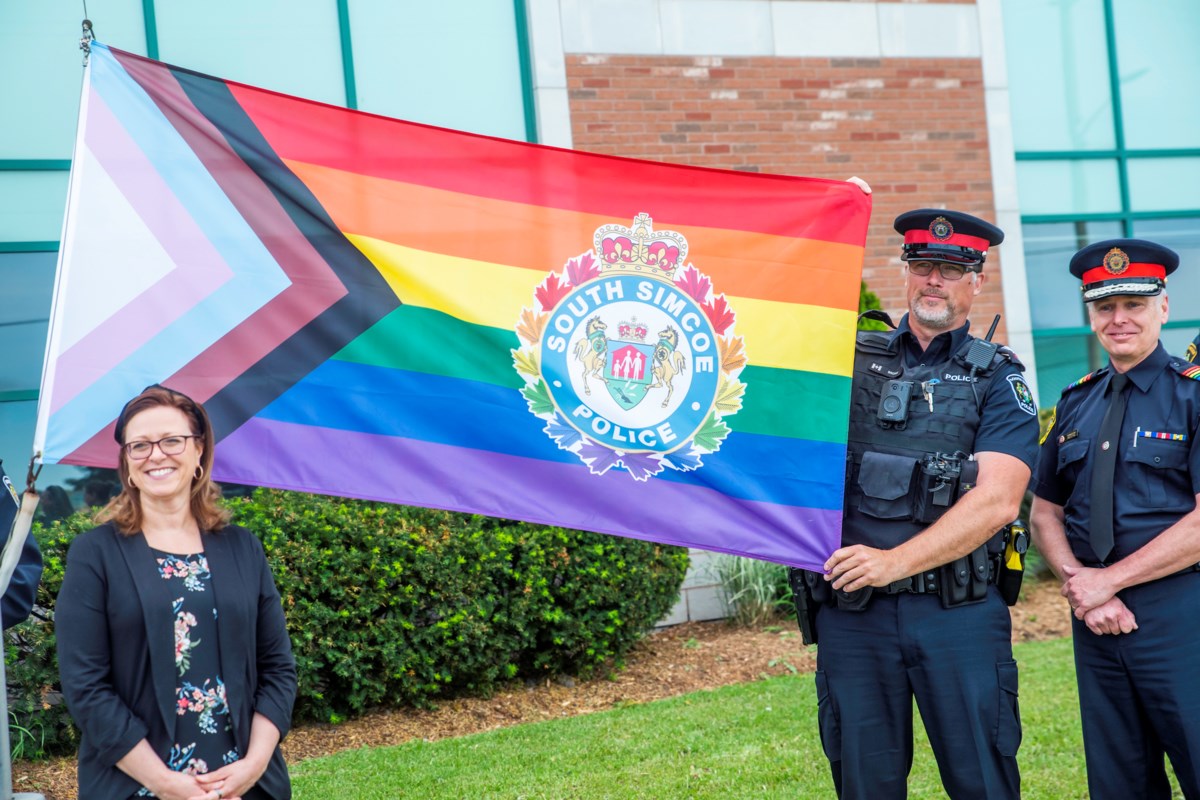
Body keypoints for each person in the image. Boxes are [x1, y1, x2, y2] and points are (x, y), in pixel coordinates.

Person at [793, 209, 1039, 799]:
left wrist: (891, 564)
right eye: (924, 265)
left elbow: (999, 501)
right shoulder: (845, 363)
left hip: (957, 614)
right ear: (906, 272)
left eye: (952, 269)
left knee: (983, 778)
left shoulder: (999, 380)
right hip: (853, 619)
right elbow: (787, 449)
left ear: (976, 281)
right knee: (863, 781)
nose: (935, 280)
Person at [56, 385, 296, 800]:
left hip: (244, 785)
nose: (156, 454)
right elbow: (86, 687)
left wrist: (252, 768)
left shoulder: (243, 547)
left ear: (198, 450)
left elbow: (278, 670)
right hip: (138, 787)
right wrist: (165, 784)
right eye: (140, 446)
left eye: (171, 440)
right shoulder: (94, 554)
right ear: (127, 464)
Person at [1031, 239, 1200, 799]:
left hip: (1182, 616)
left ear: (1164, 308)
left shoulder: (1192, 397)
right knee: (1119, 780)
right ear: (1091, 315)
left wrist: (1110, 581)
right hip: (1096, 622)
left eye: (1134, 305)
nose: (1119, 319)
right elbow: (1045, 511)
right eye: (1106, 307)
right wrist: (1083, 585)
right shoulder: (1078, 401)